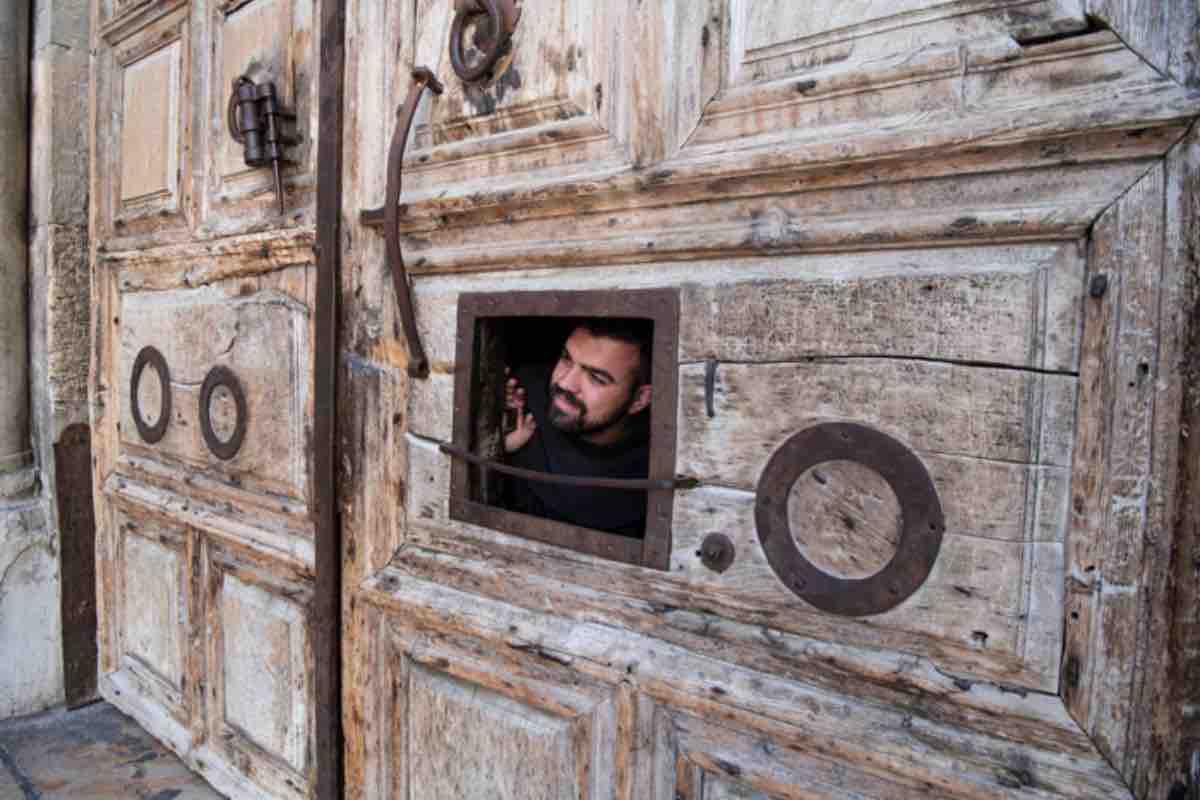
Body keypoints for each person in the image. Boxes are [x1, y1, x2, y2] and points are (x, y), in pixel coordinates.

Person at [500, 318, 653, 537]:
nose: (565, 383)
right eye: (566, 358)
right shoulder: (522, 393)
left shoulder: (653, 466)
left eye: (596, 378)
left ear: (639, 399)